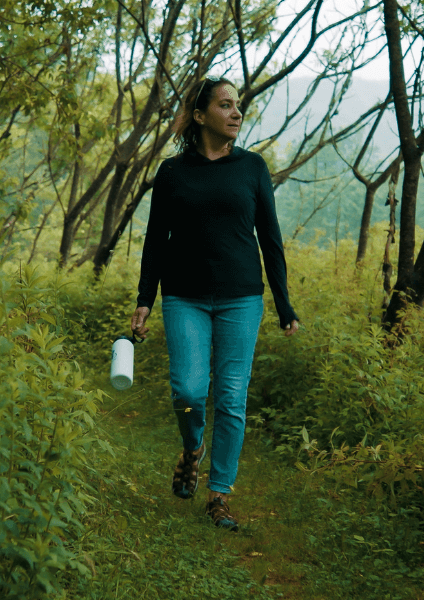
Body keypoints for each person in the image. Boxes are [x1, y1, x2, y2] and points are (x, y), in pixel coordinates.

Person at [129, 76, 300, 531]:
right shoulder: (172, 173)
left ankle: (219, 495)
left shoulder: (253, 168)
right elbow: (155, 242)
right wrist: (145, 299)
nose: (237, 113)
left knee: (229, 397)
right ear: (201, 116)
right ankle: (193, 446)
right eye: (226, 105)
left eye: (238, 105)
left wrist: (285, 305)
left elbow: (271, 240)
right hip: (183, 296)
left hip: (241, 299)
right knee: (187, 391)